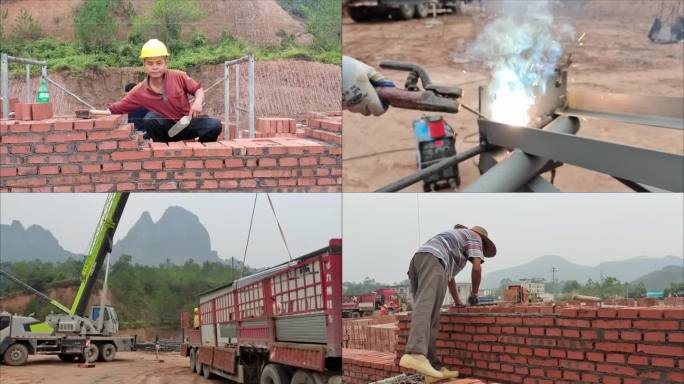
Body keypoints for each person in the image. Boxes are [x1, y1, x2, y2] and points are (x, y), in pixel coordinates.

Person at [398, 224, 497, 380]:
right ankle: (415, 353)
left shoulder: (455, 241)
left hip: (420, 260)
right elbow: (477, 268)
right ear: (483, 243)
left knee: (431, 316)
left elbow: (449, 278)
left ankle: (432, 368)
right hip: (433, 261)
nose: (480, 252)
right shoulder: (475, 237)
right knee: (425, 307)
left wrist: (458, 301)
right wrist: (474, 295)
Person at [89, 39, 221, 143]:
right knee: (150, 118)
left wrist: (197, 102)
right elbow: (116, 108)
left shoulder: (178, 76)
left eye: (159, 63)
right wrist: (93, 113)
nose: (155, 67)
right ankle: (161, 152)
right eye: (150, 64)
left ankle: (201, 155)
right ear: (144, 65)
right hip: (165, 131)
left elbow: (198, 89)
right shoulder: (140, 90)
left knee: (214, 125)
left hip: (185, 123)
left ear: (165, 63)